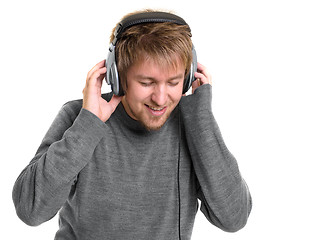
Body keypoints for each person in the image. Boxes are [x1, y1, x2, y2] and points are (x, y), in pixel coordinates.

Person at [12, 10, 252, 240]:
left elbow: (234, 218)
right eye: (147, 82)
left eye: (173, 82)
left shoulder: (194, 125)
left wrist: (202, 119)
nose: (160, 98)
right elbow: (30, 210)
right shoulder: (80, 117)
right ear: (117, 76)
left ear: (189, 77)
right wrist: (88, 124)